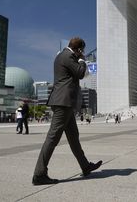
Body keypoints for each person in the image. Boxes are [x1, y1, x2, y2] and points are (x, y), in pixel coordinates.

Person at [32, 37, 102, 186]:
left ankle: (85, 166)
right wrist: (82, 61)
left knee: (73, 138)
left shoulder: (61, 56)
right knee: (52, 138)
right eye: (81, 51)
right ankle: (39, 174)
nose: (81, 54)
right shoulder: (68, 56)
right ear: (79, 49)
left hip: (65, 102)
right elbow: (80, 73)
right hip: (63, 102)